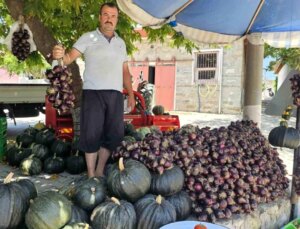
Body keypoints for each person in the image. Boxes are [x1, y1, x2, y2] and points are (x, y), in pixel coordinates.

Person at [52, 2, 135, 178]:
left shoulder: (121, 43)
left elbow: (125, 71)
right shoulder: (88, 37)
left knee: (112, 135)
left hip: (115, 94)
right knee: (91, 135)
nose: (109, 19)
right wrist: (58, 55)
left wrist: (132, 94)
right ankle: (91, 175)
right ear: (99, 17)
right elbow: (67, 59)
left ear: (117, 20)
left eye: (113, 16)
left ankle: (99, 170)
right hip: (93, 93)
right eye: (105, 15)